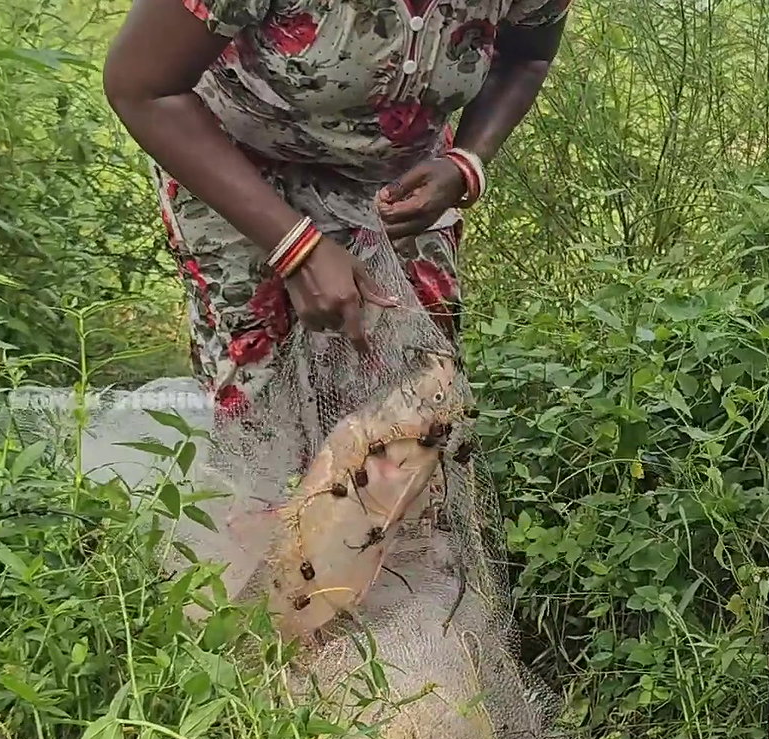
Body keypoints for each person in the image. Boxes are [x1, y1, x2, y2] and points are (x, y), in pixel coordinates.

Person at [102, 0, 569, 423]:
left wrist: (466, 161)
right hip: (232, 161)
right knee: (261, 399)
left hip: (399, 177)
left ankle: (389, 517)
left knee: (417, 395)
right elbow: (143, 87)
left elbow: (527, 55)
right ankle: (273, 514)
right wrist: (295, 247)